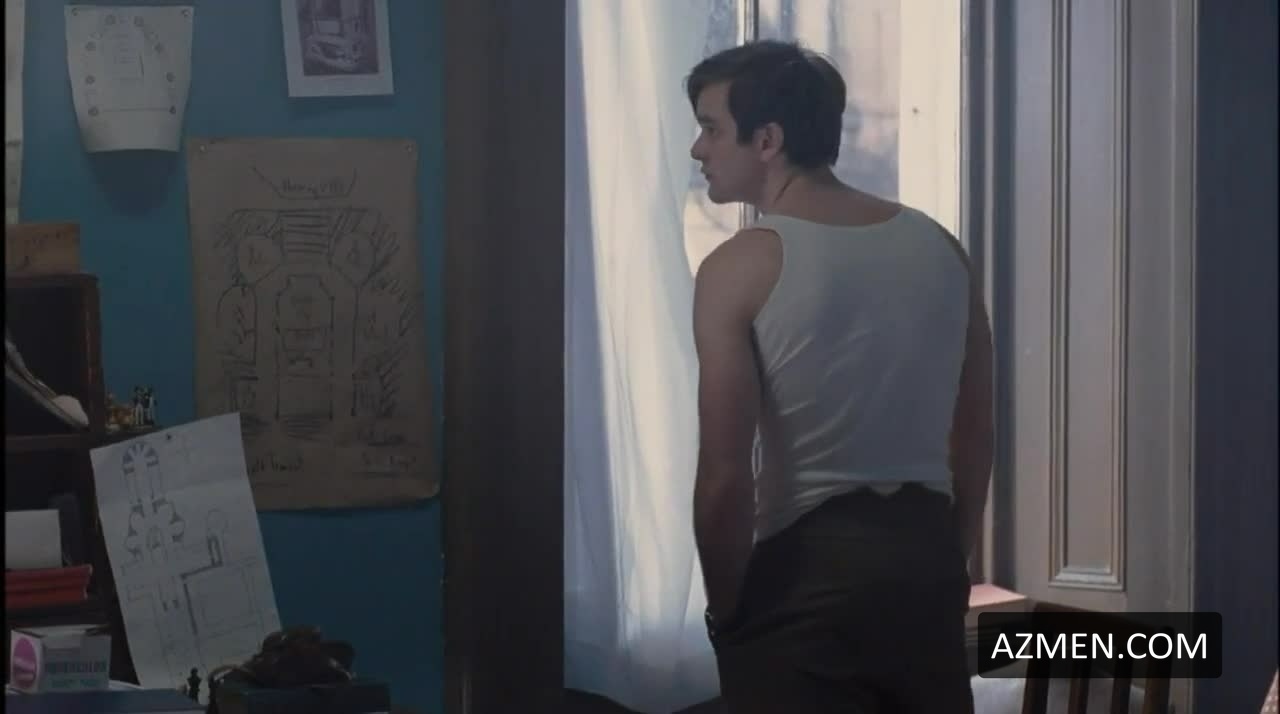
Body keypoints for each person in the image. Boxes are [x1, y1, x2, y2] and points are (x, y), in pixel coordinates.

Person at [685, 40, 994, 713]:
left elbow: (725, 478)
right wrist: (951, 560)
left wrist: (728, 614)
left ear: (767, 140)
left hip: (807, 575)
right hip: (924, 560)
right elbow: (974, 436)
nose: (697, 149)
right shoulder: (940, 247)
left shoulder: (739, 267)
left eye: (710, 128)